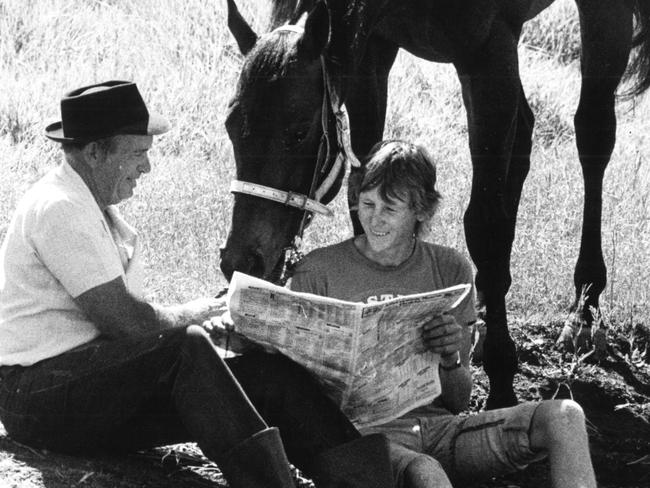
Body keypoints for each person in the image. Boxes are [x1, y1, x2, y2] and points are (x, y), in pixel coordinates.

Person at [0, 81, 413, 488]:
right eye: (138, 153)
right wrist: (208, 310)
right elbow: (129, 325)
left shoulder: (87, 205)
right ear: (94, 152)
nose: (147, 167)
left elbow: (129, 335)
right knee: (187, 347)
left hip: (85, 386)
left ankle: (367, 481)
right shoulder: (61, 209)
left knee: (266, 374)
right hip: (37, 396)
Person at [289, 140, 598, 488]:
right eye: (367, 204)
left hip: (441, 432)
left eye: (390, 208)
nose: (374, 219)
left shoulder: (448, 269)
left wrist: (450, 358)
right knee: (426, 473)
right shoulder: (317, 271)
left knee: (566, 417)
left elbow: (457, 401)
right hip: (364, 440)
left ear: (421, 211)